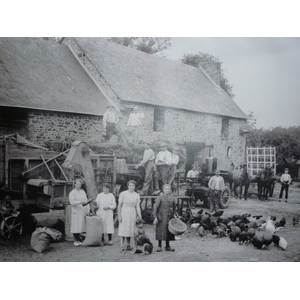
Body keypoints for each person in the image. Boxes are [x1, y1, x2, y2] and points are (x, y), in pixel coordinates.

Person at [118, 180, 142, 251]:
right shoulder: (123, 194)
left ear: (135, 186)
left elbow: (137, 206)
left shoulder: (136, 195)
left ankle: (128, 245)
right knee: (123, 228)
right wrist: (119, 216)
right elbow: (119, 205)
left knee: (130, 229)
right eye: (130, 185)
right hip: (124, 212)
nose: (131, 187)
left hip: (132, 213)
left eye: (133, 185)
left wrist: (139, 216)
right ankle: (122, 245)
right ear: (128, 186)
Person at [153, 184, 176, 252]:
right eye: (165, 189)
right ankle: (159, 246)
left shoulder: (172, 198)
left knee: (168, 231)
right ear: (163, 190)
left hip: (169, 217)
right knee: (160, 231)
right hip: (161, 217)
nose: (167, 190)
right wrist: (155, 217)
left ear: (170, 190)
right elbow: (155, 208)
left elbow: (174, 208)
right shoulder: (160, 197)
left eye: (168, 189)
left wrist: (174, 214)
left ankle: (167, 246)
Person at [69, 178, 90, 246]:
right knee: (76, 225)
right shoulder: (72, 193)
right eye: (77, 184)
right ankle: (75, 240)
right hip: (76, 210)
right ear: (75, 184)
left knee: (81, 225)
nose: (79, 185)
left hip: (82, 210)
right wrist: (80, 202)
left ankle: (79, 239)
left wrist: (88, 209)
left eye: (80, 184)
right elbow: (72, 202)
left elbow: (86, 201)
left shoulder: (82, 192)